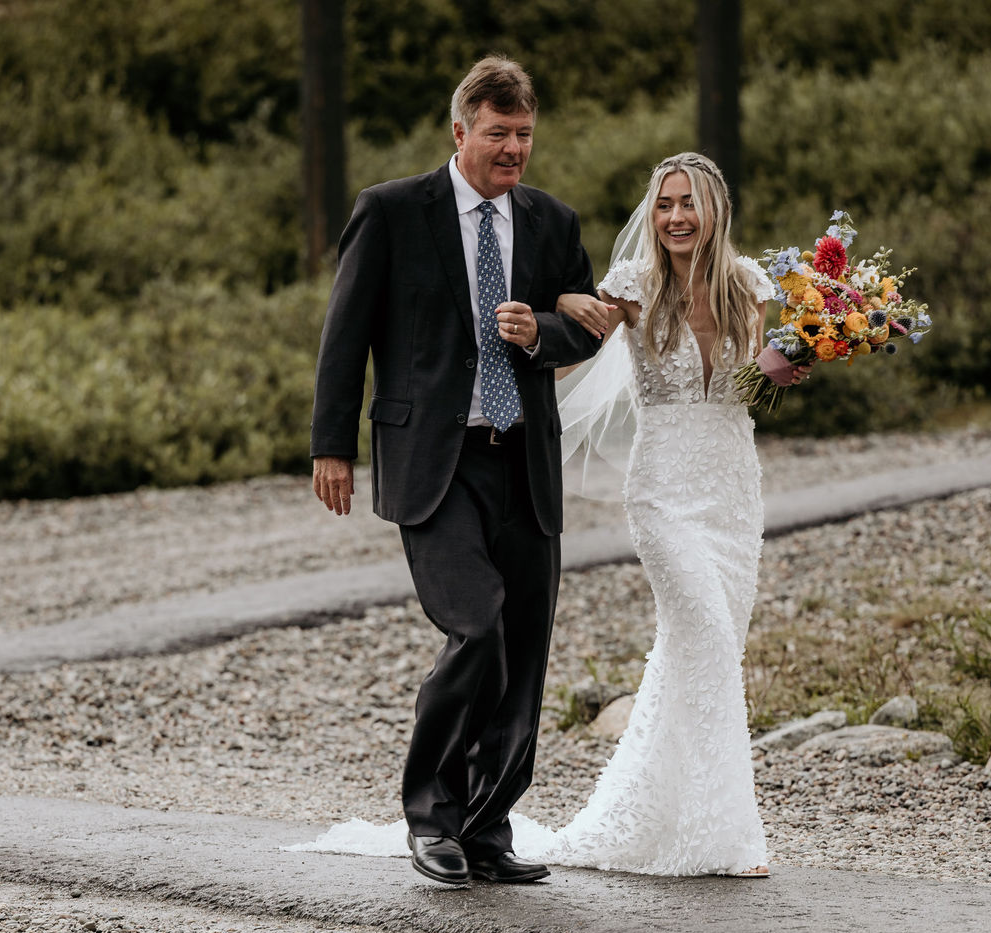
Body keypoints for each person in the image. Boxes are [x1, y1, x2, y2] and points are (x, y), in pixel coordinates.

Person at [297, 152, 809, 879]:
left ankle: (697, 827)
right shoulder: (633, 284)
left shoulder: (749, 284)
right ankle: (440, 817)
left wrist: (805, 356)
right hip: (662, 489)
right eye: (664, 204)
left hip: (730, 487)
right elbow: (577, 339)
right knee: (697, 626)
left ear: (715, 208)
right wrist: (542, 327)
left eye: (688, 203)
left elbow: (754, 387)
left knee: (707, 649)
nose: (675, 217)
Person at [308, 56, 604, 887]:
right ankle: (431, 817)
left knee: (525, 646)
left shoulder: (552, 221)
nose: (513, 150)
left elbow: (588, 325)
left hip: (524, 460)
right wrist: (331, 445)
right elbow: (346, 335)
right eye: (498, 133)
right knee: (476, 627)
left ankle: (488, 828)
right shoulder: (393, 211)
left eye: (524, 135)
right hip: (433, 460)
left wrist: (538, 330)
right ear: (460, 131)